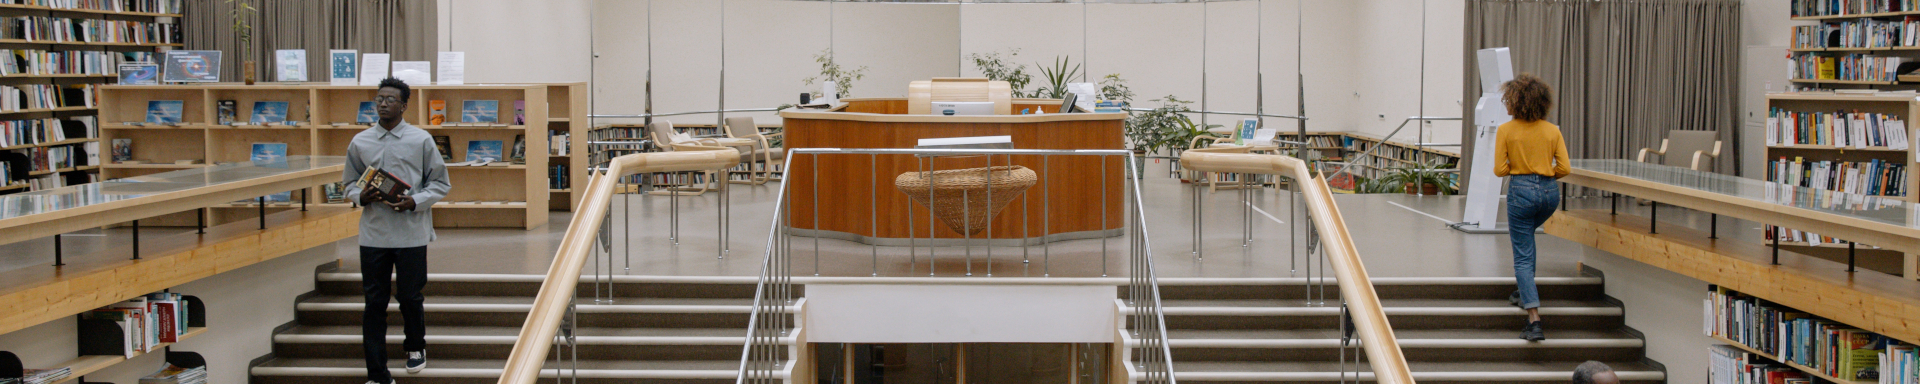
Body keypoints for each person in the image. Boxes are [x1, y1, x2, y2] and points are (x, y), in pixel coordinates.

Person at [344, 77, 451, 384]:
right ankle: (377, 373)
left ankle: (416, 347)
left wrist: (414, 200)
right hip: (374, 235)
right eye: (379, 99)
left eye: (390, 99)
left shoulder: (421, 140)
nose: (382, 104)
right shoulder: (360, 142)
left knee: (410, 297)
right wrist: (359, 196)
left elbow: (441, 183)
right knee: (374, 302)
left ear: (404, 106)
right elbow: (349, 182)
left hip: (411, 234)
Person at [1492, 73, 1568, 342]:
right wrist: (1543, 175)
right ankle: (1523, 291)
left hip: (1521, 192)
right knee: (1527, 242)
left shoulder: (1506, 130)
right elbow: (1565, 168)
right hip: (1549, 193)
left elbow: (1500, 169)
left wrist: (1523, 171)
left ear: (1515, 101)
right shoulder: (1552, 130)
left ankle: (1534, 320)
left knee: (1522, 255)